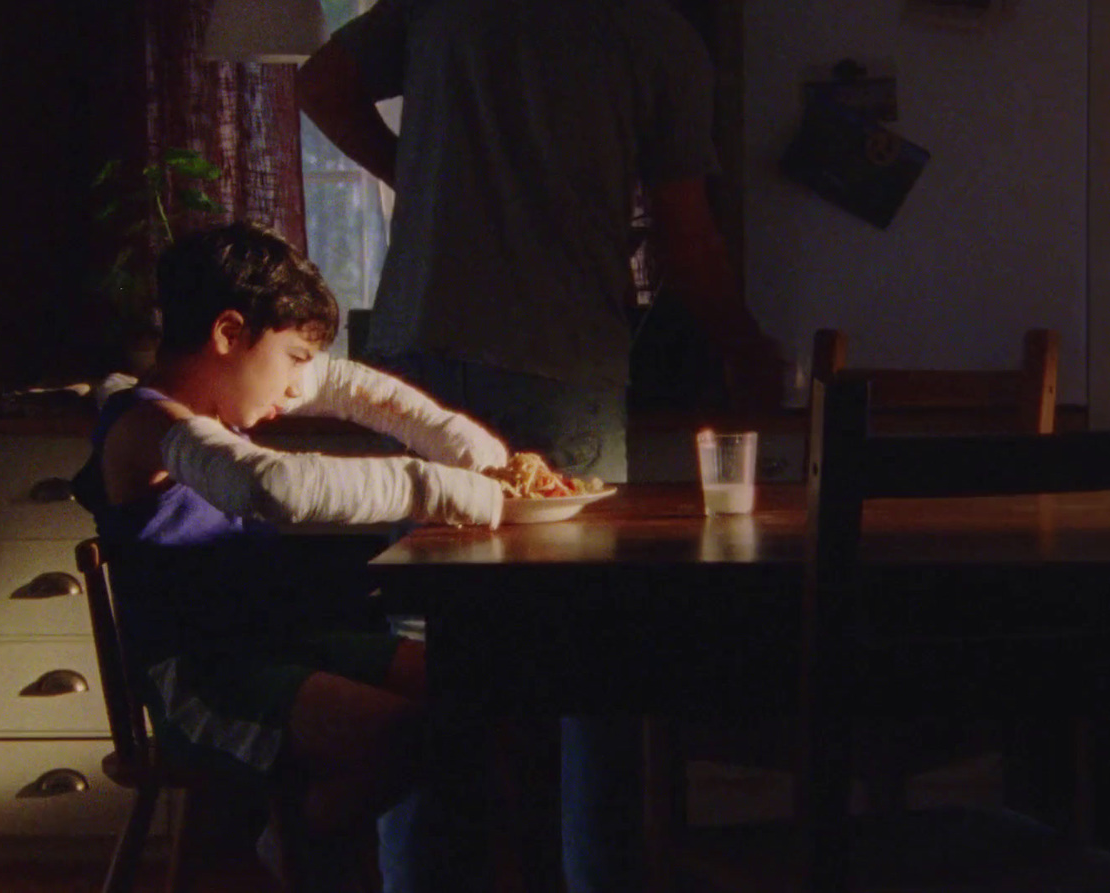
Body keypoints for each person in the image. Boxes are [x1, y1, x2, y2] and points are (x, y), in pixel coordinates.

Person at [297, 2, 786, 890]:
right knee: (590, 659)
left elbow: (319, 82)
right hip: (560, 363)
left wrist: (415, 175)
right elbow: (686, 231)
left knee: (425, 643)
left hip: (420, 350)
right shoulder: (657, 33)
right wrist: (745, 346)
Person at [72, 220, 510, 892]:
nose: (300, 384)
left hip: (278, 643)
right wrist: (438, 486)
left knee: (481, 688)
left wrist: (466, 448)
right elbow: (269, 486)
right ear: (226, 334)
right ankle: (296, 841)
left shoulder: (217, 387)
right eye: (293, 360)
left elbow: (350, 384)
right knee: (400, 733)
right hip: (200, 675)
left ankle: (322, 845)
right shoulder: (147, 426)